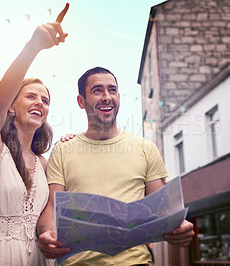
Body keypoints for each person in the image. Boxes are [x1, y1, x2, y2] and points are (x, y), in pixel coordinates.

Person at [37, 67, 195, 265]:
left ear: (119, 97)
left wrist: (180, 226)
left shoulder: (145, 148)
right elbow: (52, 207)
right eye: (97, 90)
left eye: (112, 90)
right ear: (81, 101)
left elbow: (163, 209)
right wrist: (46, 234)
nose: (106, 97)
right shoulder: (62, 150)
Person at [0, 4, 69, 266]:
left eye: (45, 100)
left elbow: (54, 212)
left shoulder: (44, 164)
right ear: (12, 105)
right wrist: (33, 47)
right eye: (31, 96)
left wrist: (68, 148)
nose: (40, 103)